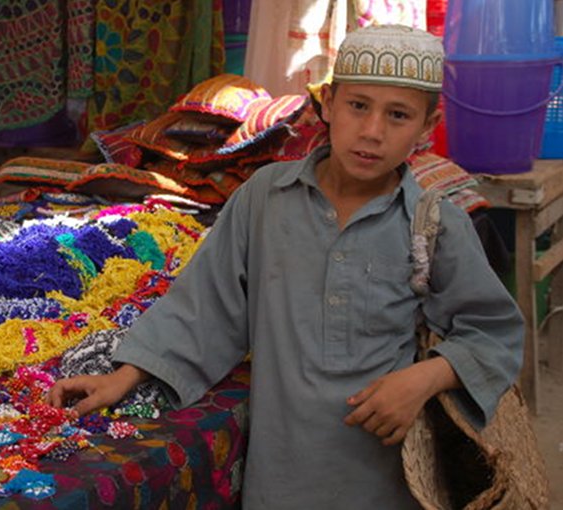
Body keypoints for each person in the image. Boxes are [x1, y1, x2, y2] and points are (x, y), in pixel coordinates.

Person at [48, 24, 524, 509]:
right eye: (358, 105)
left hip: (386, 482)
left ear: (427, 127)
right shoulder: (266, 197)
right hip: (281, 479)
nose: (372, 131)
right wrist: (125, 375)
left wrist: (425, 378)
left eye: (398, 115)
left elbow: (495, 334)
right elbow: (207, 304)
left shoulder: (435, 223)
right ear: (328, 104)